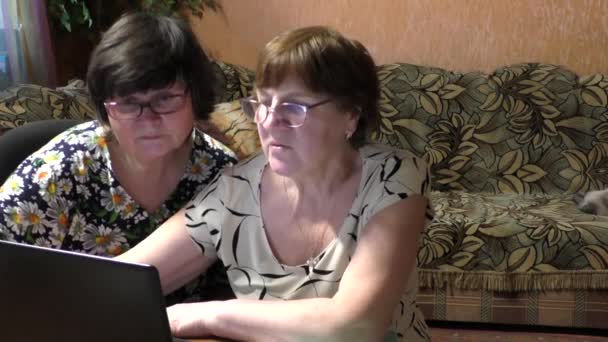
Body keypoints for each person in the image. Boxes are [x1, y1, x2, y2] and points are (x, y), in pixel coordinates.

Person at [119, 26, 432, 341]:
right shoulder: (233, 192)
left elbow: (354, 326)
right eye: (262, 104)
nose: (268, 122)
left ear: (350, 114)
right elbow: (114, 281)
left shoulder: (393, 177)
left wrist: (208, 314)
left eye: (294, 107)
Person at [0, 13, 235, 302]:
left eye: (164, 99)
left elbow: (235, 287)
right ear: (106, 108)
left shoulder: (222, 173)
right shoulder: (59, 171)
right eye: (128, 103)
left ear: (195, 97)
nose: (148, 120)